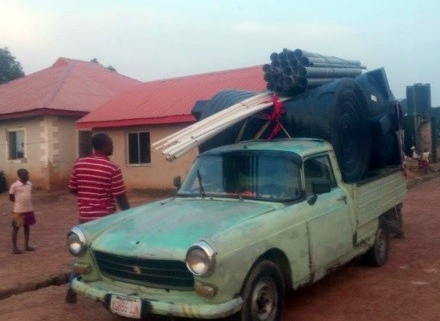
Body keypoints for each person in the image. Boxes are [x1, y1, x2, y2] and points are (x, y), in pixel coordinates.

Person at [65, 132, 130, 304]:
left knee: (84, 254)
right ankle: (108, 290)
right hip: (104, 221)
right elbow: (120, 195)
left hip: (85, 219)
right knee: (106, 254)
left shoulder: (80, 164)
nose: (113, 146)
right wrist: (129, 215)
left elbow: (72, 188)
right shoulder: (112, 168)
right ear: (102, 146)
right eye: (111, 144)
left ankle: (72, 288)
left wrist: (88, 193)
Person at [9, 168, 36, 254]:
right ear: (20, 176)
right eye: (25, 174)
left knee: (27, 227)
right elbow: (11, 197)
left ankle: (26, 245)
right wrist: (19, 203)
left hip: (28, 209)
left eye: (27, 174)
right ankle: (14, 248)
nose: (27, 176)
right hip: (18, 210)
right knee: (16, 228)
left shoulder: (29, 184)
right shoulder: (15, 186)